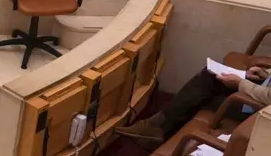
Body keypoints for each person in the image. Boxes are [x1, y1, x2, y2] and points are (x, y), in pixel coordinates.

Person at [115, 61, 270, 146]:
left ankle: (159, 129)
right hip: (262, 90)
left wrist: (241, 82)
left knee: (203, 97)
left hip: (259, 110)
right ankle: (158, 128)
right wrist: (266, 74)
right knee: (210, 75)